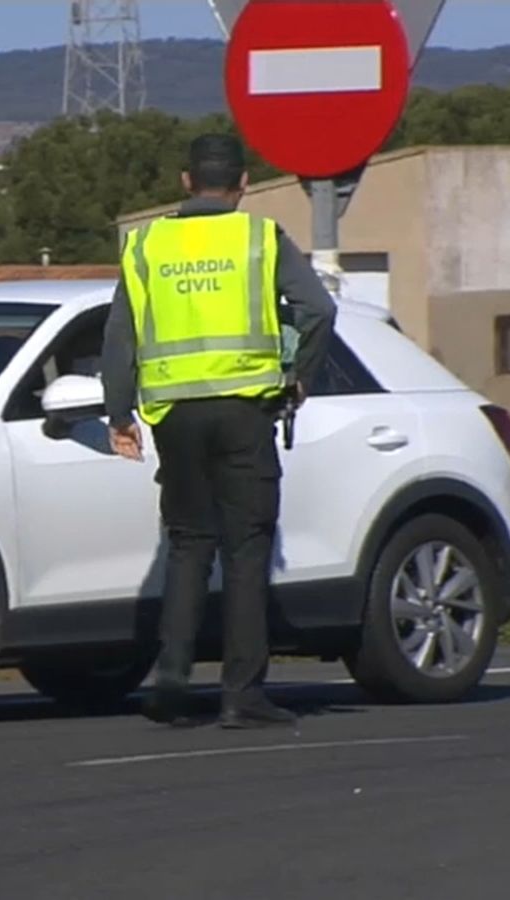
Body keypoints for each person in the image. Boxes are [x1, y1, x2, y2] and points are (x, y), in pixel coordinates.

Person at [99, 133, 337, 729]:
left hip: (174, 417)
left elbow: (119, 337)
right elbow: (320, 311)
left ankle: (172, 687)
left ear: (185, 181)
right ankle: (242, 695)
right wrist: (297, 379)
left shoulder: (147, 244)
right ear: (244, 184)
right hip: (244, 414)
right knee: (247, 552)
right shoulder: (259, 237)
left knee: (186, 547)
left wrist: (119, 412)